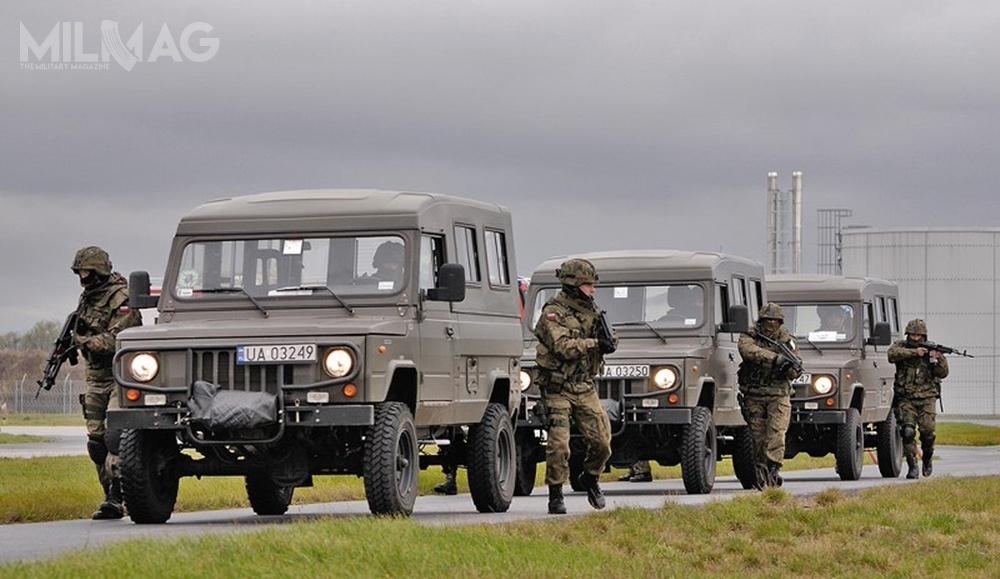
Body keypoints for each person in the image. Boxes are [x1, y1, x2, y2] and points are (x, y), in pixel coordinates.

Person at [533, 258, 613, 514]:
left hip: (584, 386)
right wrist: (594, 344)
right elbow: (562, 347)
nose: (593, 289)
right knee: (559, 445)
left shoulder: (593, 311)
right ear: (573, 285)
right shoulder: (553, 313)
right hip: (557, 387)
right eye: (588, 285)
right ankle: (555, 494)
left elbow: (604, 339)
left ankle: (590, 477)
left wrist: (608, 343)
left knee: (602, 442)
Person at [71, 246, 142, 519]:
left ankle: (118, 495)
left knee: (115, 438)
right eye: (80, 273)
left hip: (119, 376)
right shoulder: (87, 299)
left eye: (87, 272)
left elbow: (117, 339)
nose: (83, 278)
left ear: (99, 271)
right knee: (96, 443)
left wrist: (82, 342)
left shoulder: (122, 298)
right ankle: (108, 496)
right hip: (95, 378)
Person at [737, 302, 802, 489]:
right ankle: (761, 471)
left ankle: (773, 469)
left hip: (778, 395)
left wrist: (789, 367)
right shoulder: (750, 335)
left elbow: (796, 367)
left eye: (775, 321)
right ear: (761, 320)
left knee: (777, 433)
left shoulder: (787, 341)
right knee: (757, 437)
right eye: (767, 320)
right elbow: (748, 351)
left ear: (780, 322)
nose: (771, 324)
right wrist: (774, 358)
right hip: (754, 395)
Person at [887, 319, 948, 479]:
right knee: (907, 432)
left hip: (927, 397)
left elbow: (943, 373)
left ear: (923, 336)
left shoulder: (931, 349)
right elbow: (891, 355)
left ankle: (927, 458)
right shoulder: (900, 346)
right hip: (906, 397)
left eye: (918, 335)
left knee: (928, 433)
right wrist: (915, 352)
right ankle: (912, 465)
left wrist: (938, 358)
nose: (915, 338)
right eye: (912, 335)